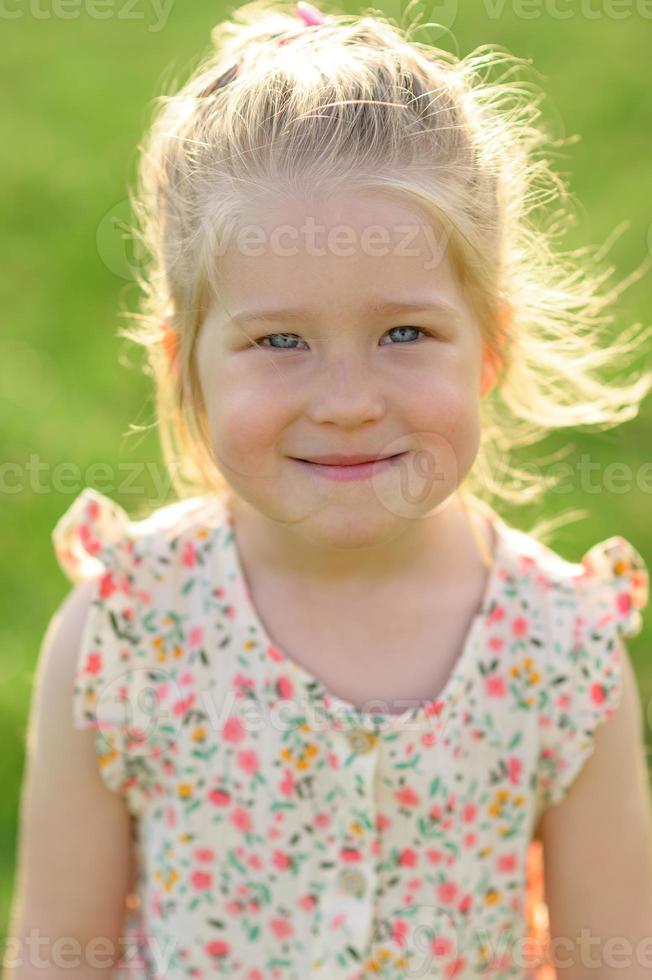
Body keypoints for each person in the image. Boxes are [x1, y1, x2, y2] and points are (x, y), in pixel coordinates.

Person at [6, 1, 652, 977]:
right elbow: (58, 956)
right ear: (188, 367)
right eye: (279, 341)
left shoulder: (560, 645)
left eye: (404, 333)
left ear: (489, 348)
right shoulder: (129, 627)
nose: (348, 401)